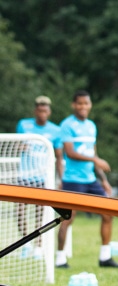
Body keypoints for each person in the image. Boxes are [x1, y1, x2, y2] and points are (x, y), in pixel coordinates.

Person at [56, 89, 118, 269]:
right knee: (68, 218)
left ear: (90, 105)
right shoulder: (67, 125)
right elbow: (70, 153)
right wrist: (95, 159)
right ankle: (60, 259)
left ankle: (105, 257)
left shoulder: (92, 126)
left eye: (86, 103)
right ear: (73, 105)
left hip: (90, 179)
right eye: (80, 103)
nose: (83, 107)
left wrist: (103, 180)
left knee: (108, 213)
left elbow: (94, 154)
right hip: (72, 180)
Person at [15, 96, 64, 254]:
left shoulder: (56, 130)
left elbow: (59, 157)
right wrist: (20, 147)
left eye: (45, 110)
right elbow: (14, 145)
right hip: (24, 175)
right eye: (39, 110)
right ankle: (25, 242)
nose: (42, 113)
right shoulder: (24, 124)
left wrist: (60, 179)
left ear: (49, 112)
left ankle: (39, 245)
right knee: (20, 210)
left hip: (43, 178)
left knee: (40, 213)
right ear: (35, 111)